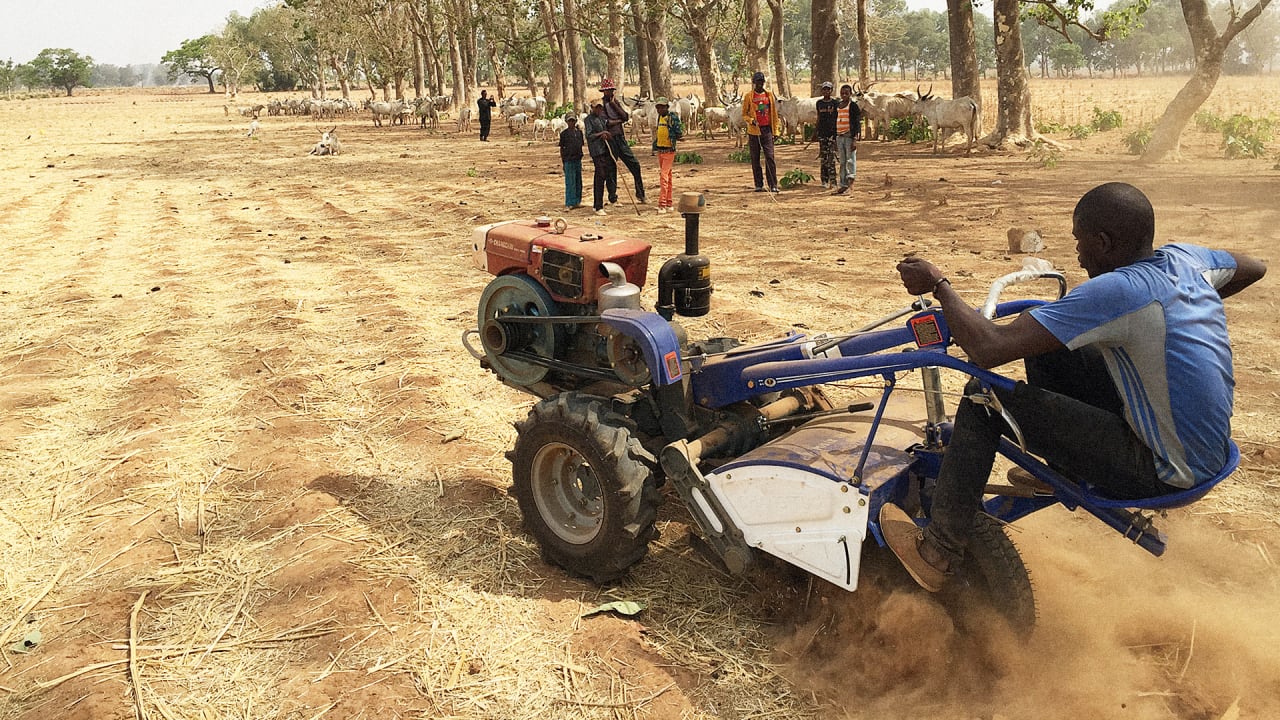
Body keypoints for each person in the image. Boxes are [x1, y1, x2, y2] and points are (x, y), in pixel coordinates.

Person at [881, 182, 1267, 592]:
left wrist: (939, 285)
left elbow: (988, 349)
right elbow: (1255, 266)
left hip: (1164, 470)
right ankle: (1062, 467)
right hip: (1207, 452)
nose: (1078, 254)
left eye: (1080, 242)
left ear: (1103, 242)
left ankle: (937, 550)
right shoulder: (1186, 261)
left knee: (984, 400)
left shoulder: (1118, 291)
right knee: (1047, 335)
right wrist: (1187, 306)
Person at [599, 78, 646, 204]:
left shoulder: (616, 103)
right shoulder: (601, 105)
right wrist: (618, 121)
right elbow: (606, 122)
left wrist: (614, 105)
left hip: (621, 139)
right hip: (610, 141)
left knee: (635, 165)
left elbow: (625, 116)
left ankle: (640, 194)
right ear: (604, 91)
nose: (611, 92)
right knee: (611, 169)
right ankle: (613, 197)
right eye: (609, 90)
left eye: (612, 90)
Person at [741, 71, 779, 193]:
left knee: (770, 157)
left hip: (767, 130)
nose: (760, 84)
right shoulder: (749, 97)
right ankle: (758, 184)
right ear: (754, 83)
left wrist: (776, 131)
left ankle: (773, 184)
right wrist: (751, 120)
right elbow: (744, 114)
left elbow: (774, 114)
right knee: (755, 158)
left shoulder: (769, 96)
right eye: (757, 82)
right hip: (754, 132)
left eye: (761, 82)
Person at [583, 100, 617, 216]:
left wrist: (607, 134)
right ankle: (598, 206)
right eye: (596, 108)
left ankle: (596, 204)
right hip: (596, 151)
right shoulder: (588, 120)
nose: (598, 110)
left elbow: (608, 124)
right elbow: (589, 135)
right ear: (592, 108)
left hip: (605, 150)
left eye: (600, 108)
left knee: (602, 176)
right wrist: (600, 134)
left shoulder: (602, 118)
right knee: (600, 176)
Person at [651, 98, 683, 214]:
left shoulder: (672, 117)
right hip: (661, 150)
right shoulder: (659, 118)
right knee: (668, 177)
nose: (660, 109)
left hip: (669, 151)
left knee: (663, 177)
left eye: (662, 107)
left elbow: (678, 131)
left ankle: (662, 204)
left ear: (667, 107)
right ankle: (669, 203)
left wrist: (678, 136)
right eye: (658, 107)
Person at [833, 84, 862, 195]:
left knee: (850, 160)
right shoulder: (838, 106)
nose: (844, 95)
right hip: (839, 137)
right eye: (842, 93)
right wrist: (835, 139)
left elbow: (856, 122)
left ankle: (851, 185)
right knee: (842, 161)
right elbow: (835, 122)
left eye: (846, 93)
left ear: (850, 94)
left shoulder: (853, 106)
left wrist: (855, 138)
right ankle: (843, 185)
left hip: (849, 136)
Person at [815, 81, 839, 189]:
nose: (826, 91)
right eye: (824, 89)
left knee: (831, 158)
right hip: (822, 134)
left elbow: (838, 118)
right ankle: (824, 180)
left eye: (828, 89)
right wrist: (815, 132)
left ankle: (833, 181)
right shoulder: (819, 103)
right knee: (823, 158)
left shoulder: (835, 103)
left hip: (832, 134)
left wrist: (837, 133)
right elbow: (818, 118)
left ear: (831, 90)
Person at [559, 114, 585, 210]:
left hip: (578, 159)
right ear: (566, 122)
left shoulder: (579, 133)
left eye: (573, 121)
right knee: (570, 182)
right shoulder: (564, 134)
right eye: (570, 121)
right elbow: (562, 148)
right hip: (568, 160)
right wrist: (563, 161)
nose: (572, 123)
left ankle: (577, 201)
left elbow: (580, 145)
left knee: (578, 181)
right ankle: (569, 203)